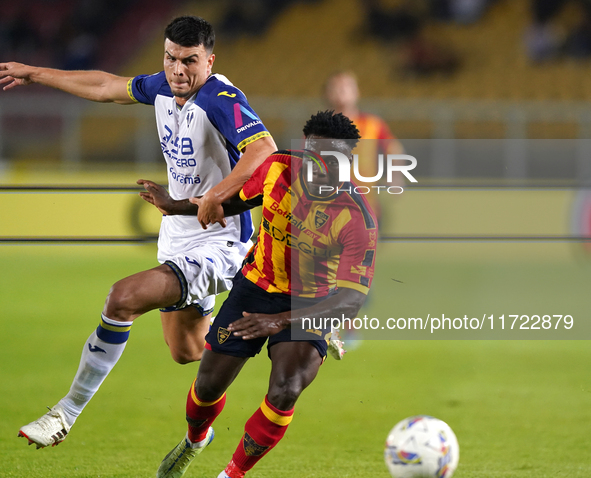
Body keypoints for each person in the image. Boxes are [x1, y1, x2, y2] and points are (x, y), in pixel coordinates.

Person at [0, 15, 277, 449]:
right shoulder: (165, 85)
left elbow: (264, 149)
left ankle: (64, 414)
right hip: (179, 236)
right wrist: (33, 73)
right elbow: (106, 86)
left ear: (209, 60)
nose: (178, 70)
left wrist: (217, 195)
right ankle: (284, 322)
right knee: (187, 351)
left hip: (220, 240)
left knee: (122, 298)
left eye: (189, 61)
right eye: (170, 59)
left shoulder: (221, 97)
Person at [153, 110, 378, 478]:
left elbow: (351, 300)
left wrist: (278, 322)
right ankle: (195, 439)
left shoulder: (356, 218)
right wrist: (175, 206)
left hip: (312, 304)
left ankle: (233, 474)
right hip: (256, 287)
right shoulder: (277, 168)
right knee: (208, 385)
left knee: (286, 388)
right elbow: (237, 201)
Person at [323, 70, 404, 225]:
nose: (341, 90)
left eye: (346, 86)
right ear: (328, 93)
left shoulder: (373, 124)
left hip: (366, 205)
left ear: (356, 92)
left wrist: (395, 175)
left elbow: (393, 148)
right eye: (336, 87)